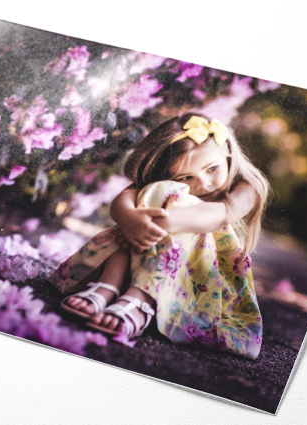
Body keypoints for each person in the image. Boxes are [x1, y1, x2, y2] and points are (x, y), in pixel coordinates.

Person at [49, 113, 269, 359]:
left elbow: (218, 214)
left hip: (205, 286)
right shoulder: (169, 188)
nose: (205, 184)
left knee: (176, 204)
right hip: (146, 266)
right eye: (186, 177)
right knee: (154, 194)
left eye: (212, 168)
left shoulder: (247, 187)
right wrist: (132, 219)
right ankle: (108, 286)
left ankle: (140, 301)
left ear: (228, 153)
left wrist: (161, 223)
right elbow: (123, 200)